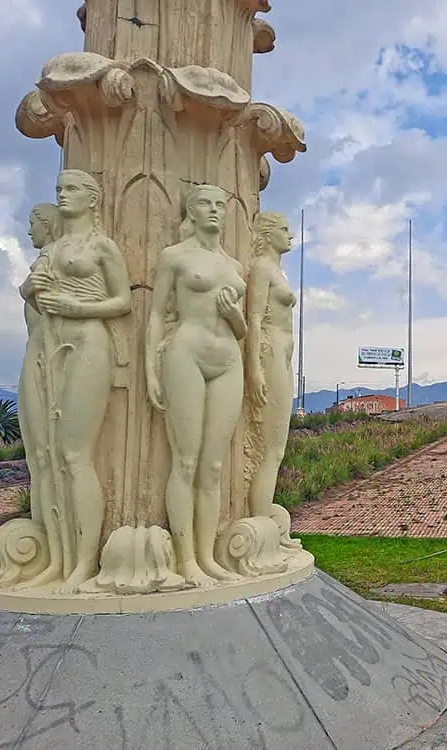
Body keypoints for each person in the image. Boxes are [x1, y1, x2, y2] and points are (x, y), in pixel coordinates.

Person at [20, 170, 132, 593]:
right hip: (48, 347)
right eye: (59, 190)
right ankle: (57, 559)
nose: (62, 195)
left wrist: (77, 307)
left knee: (74, 453)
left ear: (93, 198)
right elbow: (35, 299)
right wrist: (28, 289)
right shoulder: (51, 249)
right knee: (46, 454)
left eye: (71, 189)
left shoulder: (102, 246)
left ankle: (83, 563)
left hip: (87, 341)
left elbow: (123, 301)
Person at [146, 184, 247, 587]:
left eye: (220, 204)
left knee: (213, 465)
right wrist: (151, 370)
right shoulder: (175, 256)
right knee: (185, 461)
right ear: (191, 210)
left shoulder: (235, 266)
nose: (214, 210)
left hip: (228, 359)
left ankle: (207, 557)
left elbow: (240, 329)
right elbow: (156, 315)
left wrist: (234, 314)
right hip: (186, 352)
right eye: (205, 203)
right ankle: (186, 560)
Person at [245, 212, 296, 518]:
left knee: (277, 448)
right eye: (284, 229)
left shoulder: (275, 270)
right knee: (271, 449)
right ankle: (260, 523)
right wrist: (254, 368)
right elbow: (253, 318)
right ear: (268, 233)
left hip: (283, 354)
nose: (291, 235)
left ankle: (263, 520)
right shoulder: (262, 268)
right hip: (270, 351)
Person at [17, 203, 62, 535]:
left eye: (34, 223)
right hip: (37, 358)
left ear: (48, 225)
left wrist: (27, 289)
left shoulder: (53, 265)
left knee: (48, 454)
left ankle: (53, 533)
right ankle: (46, 531)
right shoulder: (44, 264)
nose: (30, 230)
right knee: (40, 456)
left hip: (47, 360)